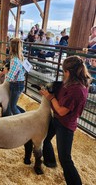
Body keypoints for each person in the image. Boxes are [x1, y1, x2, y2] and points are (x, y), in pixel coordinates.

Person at [40, 55, 91, 185]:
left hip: (65, 124)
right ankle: (50, 161)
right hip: (56, 119)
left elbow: (62, 111)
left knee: (65, 159)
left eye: (64, 71)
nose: (63, 74)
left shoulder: (77, 90)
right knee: (45, 139)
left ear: (69, 72)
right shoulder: (71, 82)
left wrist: (50, 97)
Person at [0, 38, 26, 115]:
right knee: (12, 103)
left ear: (12, 47)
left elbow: (10, 76)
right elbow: (24, 70)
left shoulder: (14, 60)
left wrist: (5, 72)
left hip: (16, 84)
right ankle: (25, 114)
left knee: (12, 106)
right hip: (20, 83)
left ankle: (21, 119)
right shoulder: (21, 57)